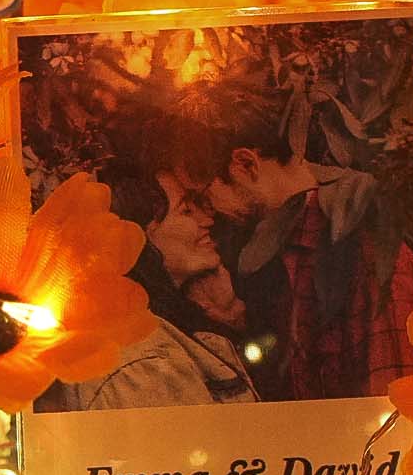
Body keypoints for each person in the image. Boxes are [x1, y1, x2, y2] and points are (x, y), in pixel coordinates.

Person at [159, 80, 413, 402]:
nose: (208, 214)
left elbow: (401, 408)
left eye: (203, 197)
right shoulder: (276, 256)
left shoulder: (368, 256)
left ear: (245, 165)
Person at [34, 166, 258, 412]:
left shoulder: (158, 332)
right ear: (136, 235)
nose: (207, 221)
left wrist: (230, 318)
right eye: (186, 210)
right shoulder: (141, 363)